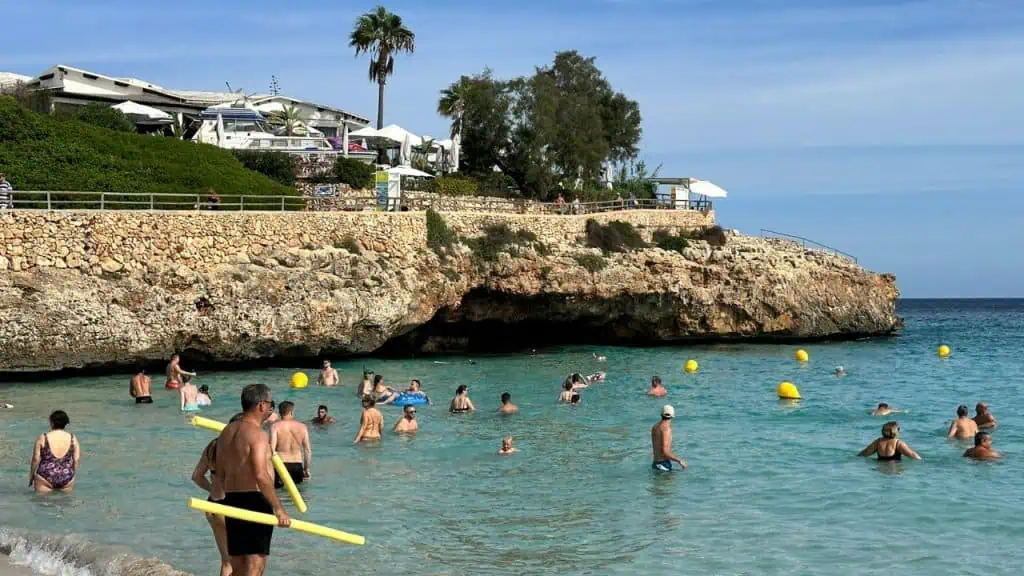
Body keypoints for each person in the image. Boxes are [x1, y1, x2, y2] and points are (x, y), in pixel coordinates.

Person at [216, 384, 289, 576]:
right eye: (270, 403)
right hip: (255, 500)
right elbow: (261, 475)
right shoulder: (257, 434)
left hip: (231, 499)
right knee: (256, 564)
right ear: (261, 405)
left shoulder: (227, 432)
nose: (271, 408)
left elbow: (220, 471)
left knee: (238, 563)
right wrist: (278, 508)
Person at [192, 432, 234, 576]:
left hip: (212, 504)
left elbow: (196, 476)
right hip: (231, 506)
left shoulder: (212, 447)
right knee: (244, 561)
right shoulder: (235, 449)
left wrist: (212, 489)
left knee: (226, 562)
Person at [29, 410, 80, 493]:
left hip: (45, 475)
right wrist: (72, 474)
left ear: (52, 422)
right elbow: (76, 459)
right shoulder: (72, 438)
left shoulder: (43, 437)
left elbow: (35, 459)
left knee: (42, 503)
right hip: (66, 475)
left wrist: (31, 476)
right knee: (65, 503)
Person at [269, 402, 311, 487]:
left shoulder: (275, 426)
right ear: (291, 412)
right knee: (297, 494)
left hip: (280, 465)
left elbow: (271, 450)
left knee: (280, 495)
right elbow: (307, 450)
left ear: (280, 412)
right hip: (297, 465)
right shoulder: (302, 427)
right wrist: (306, 469)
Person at [651, 405, 687, 471]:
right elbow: (665, 452)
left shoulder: (655, 427)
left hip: (655, 463)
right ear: (672, 415)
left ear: (661, 414)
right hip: (663, 464)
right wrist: (679, 460)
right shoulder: (666, 429)